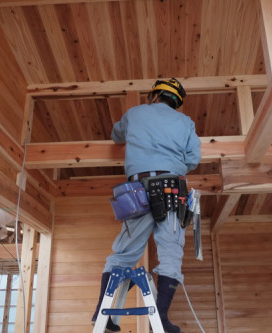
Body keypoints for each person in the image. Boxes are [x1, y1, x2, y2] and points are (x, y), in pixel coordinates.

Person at [91, 78, 201, 333]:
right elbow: (194, 159)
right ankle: (160, 318)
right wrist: (173, 170)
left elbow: (116, 135)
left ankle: (102, 313)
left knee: (124, 252)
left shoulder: (135, 113)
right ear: (177, 102)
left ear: (154, 96)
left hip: (136, 190)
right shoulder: (185, 122)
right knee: (170, 253)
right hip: (171, 189)